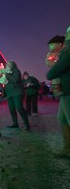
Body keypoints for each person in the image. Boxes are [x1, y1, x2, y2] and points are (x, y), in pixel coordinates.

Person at [46, 27, 70, 158]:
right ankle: (67, 148)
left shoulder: (67, 52)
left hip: (68, 89)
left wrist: (51, 72)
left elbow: (53, 71)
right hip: (65, 89)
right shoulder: (63, 52)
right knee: (62, 118)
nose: (66, 35)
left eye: (68, 33)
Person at [0, 61, 30, 130]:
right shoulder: (7, 73)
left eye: (9, 65)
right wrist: (3, 92)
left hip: (17, 92)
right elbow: (5, 83)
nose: (7, 66)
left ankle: (26, 123)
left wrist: (7, 74)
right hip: (9, 93)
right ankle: (15, 123)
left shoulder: (16, 71)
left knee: (19, 107)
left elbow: (15, 80)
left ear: (13, 65)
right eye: (6, 65)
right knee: (11, 109)